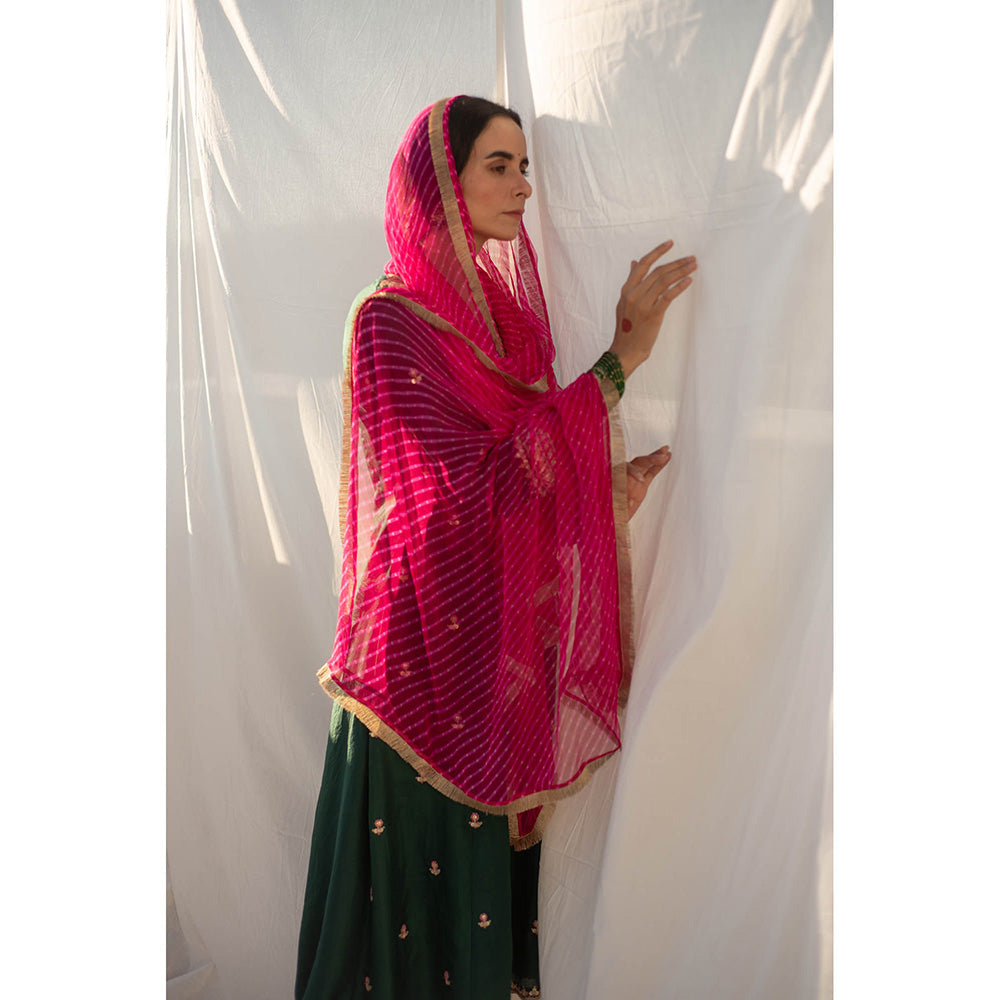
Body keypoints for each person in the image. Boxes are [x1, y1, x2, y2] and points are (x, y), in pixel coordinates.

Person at [295, 95, 697, 1000]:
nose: (522, 186)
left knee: (485, 915)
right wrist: (619, 362)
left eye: (525, 167)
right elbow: (454, 498)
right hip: (414, 671)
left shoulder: (511, 329)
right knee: (413, 924)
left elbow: (519, 483)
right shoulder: (388, 321)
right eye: (499, 165)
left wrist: (604, 495)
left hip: (495, 657)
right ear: (442, 180)